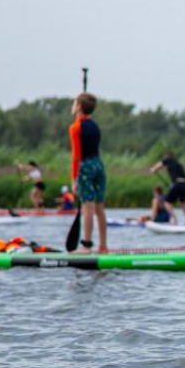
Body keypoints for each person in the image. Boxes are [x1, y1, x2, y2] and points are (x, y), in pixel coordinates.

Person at [69, 92, 107, 252]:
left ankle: (86, 246)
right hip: (99, 165)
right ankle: (103, 246)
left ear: (78, 107)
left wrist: (74, 179)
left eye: (73, 103)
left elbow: (77, 155)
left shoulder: (75, 127)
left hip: (85, 167)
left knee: (88, 207)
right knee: (99, 207)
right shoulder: (95, 125)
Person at [150, 151, 185, 225]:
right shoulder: (178, 163)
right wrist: (173, 184)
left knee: (167, 202)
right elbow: (178, 174)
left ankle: (174, 220)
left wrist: (153, 169)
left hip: (178, 183)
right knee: (182, 202)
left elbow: (157, 166)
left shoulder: (167, 160)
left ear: (167, 156)